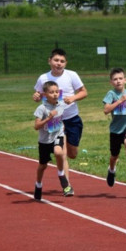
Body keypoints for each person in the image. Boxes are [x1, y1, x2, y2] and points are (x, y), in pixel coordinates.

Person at [32, 48, 87, 190]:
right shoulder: (43, 78)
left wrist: (73, 98)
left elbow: (84, 92)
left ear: (66, 63)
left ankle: (66, 152)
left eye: (62, 61)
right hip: (55, 120)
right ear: (49, 61)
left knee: (72, 153)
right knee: (61, 153)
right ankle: (67, 186)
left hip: (72, 118)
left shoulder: (72, 75)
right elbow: (38, 94)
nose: (59, 63)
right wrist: (36, 97)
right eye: (56, 60)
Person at [33, 81, 72, 199]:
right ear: (45, 94)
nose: (55, 94)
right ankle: (38, 184)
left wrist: (71, 99)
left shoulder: (61, 104)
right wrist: (48, 118)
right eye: (51, 92)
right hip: (45, 140)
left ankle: (61, 174)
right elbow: (36, 126)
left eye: (57, 92)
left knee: (59, 152)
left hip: (57, 135)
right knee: (42, 166)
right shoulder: (42, 108)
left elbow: (70, 101)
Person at [103, 67, 126, 186]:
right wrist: (119, 101)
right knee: (114, 156)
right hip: (115, 130)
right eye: (115, 79)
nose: (118, 81)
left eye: (120, 78)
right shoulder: (111, 94)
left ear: (125, 80)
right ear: (111, 82)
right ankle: (111, 170)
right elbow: (106, 110)